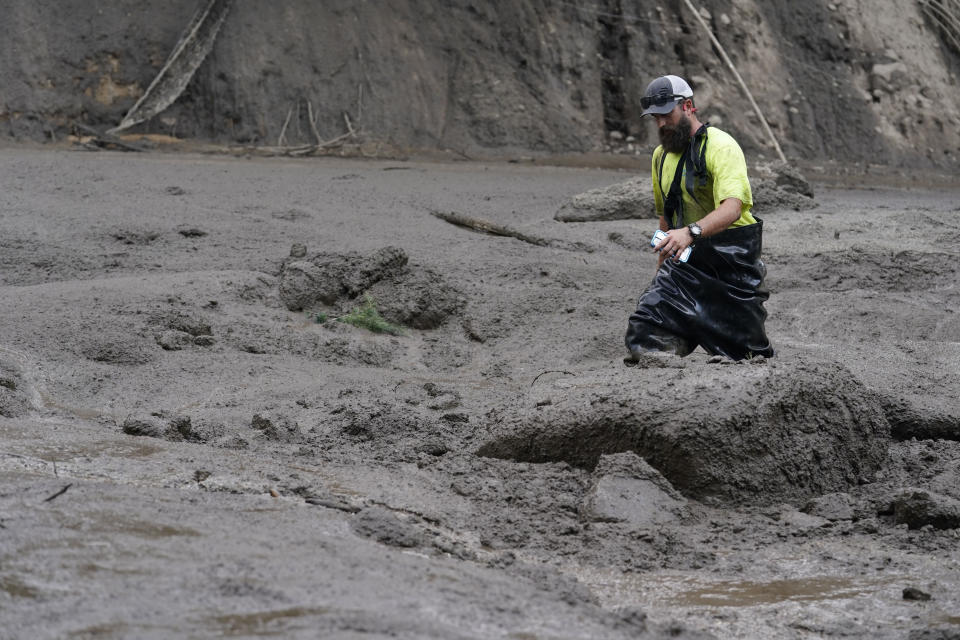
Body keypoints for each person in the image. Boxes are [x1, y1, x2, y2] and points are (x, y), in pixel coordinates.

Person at [624, 74, 774, 362]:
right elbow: (665, 217)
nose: (661, 124)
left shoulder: (722, 146)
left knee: (750, 356)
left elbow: (732, 209)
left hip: (732, 267)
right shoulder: (659, 157)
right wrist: (660, 271)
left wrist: (689, 232)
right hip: (685, 263)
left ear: (688, 106)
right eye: (655, 117)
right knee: (644, 331)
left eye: (666, 114)